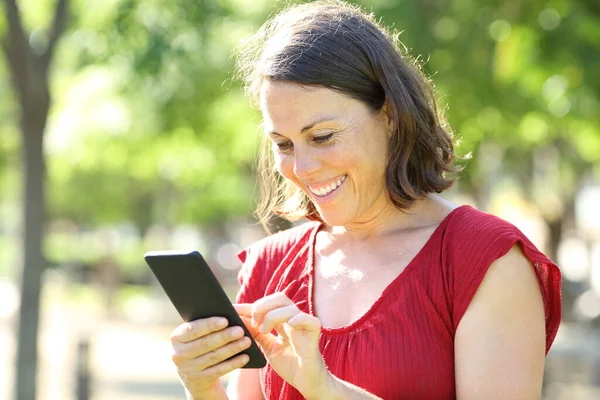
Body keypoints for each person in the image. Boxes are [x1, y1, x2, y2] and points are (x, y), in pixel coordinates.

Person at [169, 1, 562, 399]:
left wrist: (325, 389)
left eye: (322, 137)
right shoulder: (270, 265)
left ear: (389, 115)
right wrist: (202, 386)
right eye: (283, 144)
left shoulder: (483, 260)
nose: (302, 168)